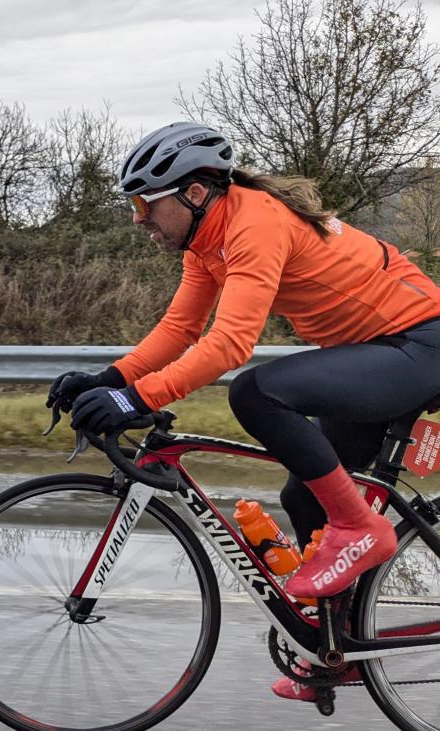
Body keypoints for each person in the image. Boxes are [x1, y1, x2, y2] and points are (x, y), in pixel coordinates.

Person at [46, 121, 440, 701]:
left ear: (195, 194)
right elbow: (180, 328)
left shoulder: (255, 223)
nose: (138, 219)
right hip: (375, 351)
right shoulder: (208, 241)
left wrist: (136, 399)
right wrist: (110, 378)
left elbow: (231, 344)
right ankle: (339, 647)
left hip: (418, 345)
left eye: (144, 204)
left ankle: (362, 528)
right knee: (307, 495)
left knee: (256, 392)